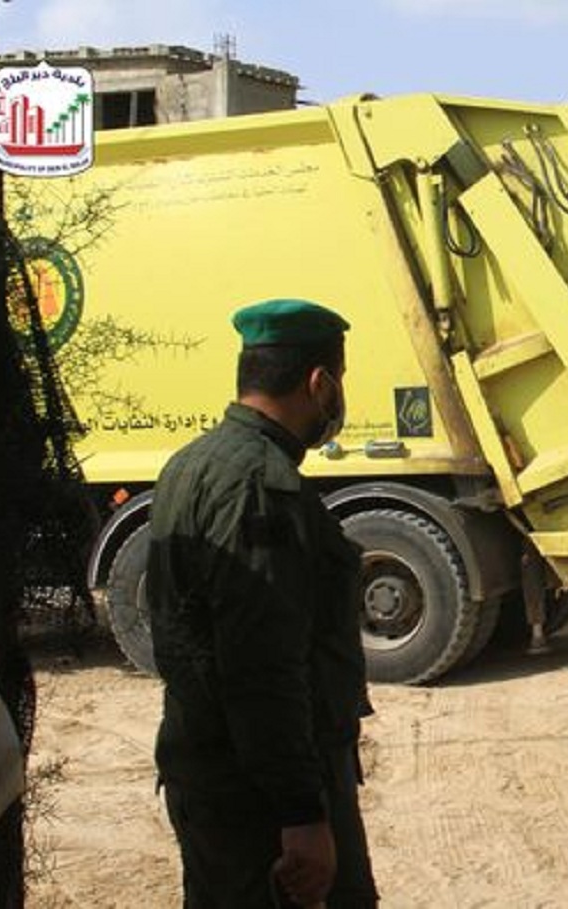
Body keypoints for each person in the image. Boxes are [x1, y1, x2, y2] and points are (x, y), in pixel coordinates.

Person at [146, 298, 377, 908]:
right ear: (320, 383)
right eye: (340, 382)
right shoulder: (262, 486)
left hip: (209, 773)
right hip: (258, 799)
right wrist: (301, 814)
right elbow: (262, 668)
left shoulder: (189, 464)